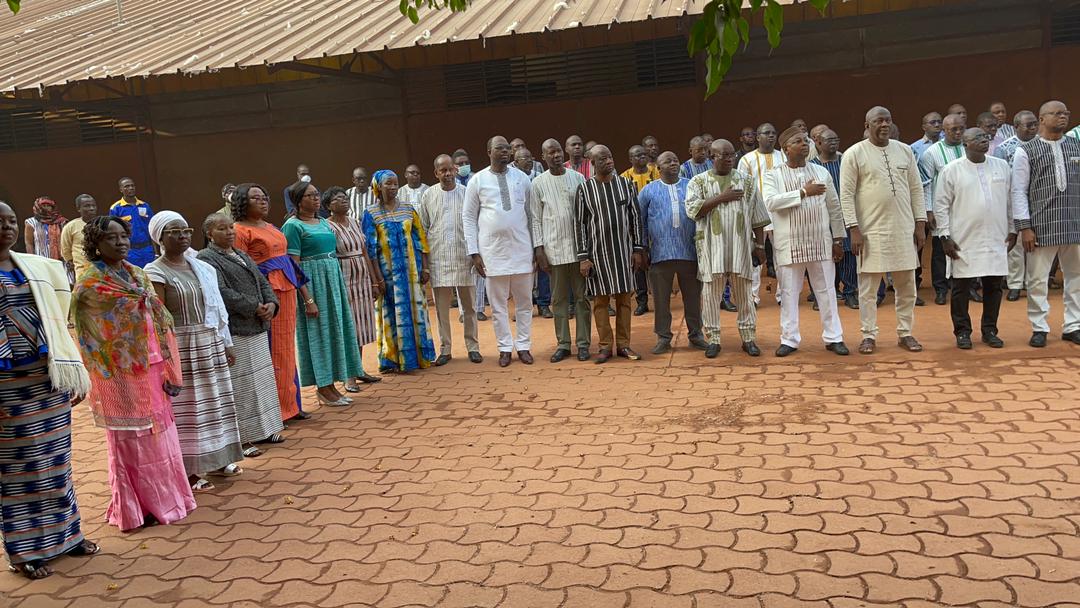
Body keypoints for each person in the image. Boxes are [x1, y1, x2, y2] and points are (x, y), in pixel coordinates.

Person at [73, 215, 196, 532]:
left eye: (123, 236)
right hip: (120, 375)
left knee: (160, 435)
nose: (120, 242)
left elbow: (161, 321)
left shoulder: (138, 275)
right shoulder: (90, 286)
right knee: (133, 438)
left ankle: (168, 498)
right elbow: (90, 335)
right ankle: (136, 507)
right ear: (96, 245)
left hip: (153, 366)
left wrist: (171, 368)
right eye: (111, 238)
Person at [0, 202, 99, 579]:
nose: (7, 227)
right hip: (7, 385)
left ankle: (67, 536)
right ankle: (23, 549)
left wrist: (73, 372)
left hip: (47, 377)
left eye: (11, 221)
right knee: (18, 469)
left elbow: (59, 321)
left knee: (57, 461)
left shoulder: (36, 266)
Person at [146, 211, 244, 492]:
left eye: (186, 230)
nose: (182, 236)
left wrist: (226, 342)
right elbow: (159, 319)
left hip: (209, 341)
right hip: (182, 347)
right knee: (190, 408)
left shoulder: (201, 266)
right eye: (174, 231)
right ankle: (190, 469)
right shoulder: (155, 271)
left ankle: (218, 459)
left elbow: (217, 308)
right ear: (160, 238)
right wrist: (167, 358)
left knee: (215, 403)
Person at [197, 212, 286, 456]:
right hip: (237, 327)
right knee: (242, 383)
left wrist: (271, 303)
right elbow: (222, 292)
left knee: (262, 380)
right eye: (222, 229)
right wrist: (253, 306)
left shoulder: (240, 254)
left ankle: (266, 429)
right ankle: (244, 438)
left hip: (257, 326)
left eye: (230, 228)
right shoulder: (207, 258)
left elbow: (262, 282)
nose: (229, 232)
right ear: (209, 234)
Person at [839, 106, 927, 355]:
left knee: (906, 286)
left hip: (903, 229)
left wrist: (920, 223)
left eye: (888, 120)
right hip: (870, 231)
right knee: (867, 288)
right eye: (879, 121)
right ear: (867, 125)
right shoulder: (854, 154)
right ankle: (868, 335)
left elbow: (916, 189)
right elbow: (846, 194)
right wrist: (853, 229)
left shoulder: (905, 151)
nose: (884, 124)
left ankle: (905, 333)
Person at [763, 128, 849, 357]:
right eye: (797, 141)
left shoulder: (821, 172)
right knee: (790, 292)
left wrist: (838, 238)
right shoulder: (774, 175)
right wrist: (803, 192)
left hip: (820, 241)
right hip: (789, 244)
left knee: (827, 291)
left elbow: (834, 207)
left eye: (805, 140)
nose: (804, 144)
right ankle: (789, 339)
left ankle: (834, 337)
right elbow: (771, 203)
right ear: (785, 149)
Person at [283, 181, 366, 402]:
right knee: (318, 334)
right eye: (310, 196)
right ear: (298, 201)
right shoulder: (293, 226)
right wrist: (308, 298)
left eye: (317, 194)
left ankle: (332, 384)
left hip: (332, 280)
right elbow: (294, 266)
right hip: (313, 283)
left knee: (335, 331)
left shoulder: (322, 221)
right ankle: (323, 386)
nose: (316, 198)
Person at [232, 184, 308, 423]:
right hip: (267, 295)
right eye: (256, 198)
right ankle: (277, 409)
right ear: (243, 202)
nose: (263, 201)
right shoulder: (239, 230)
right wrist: (258, 299)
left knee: (286, 349)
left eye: (265, 197)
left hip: (286, 290)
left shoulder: (271, 226)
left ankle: (292, 404)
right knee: (273, 350)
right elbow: (241, 269)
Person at [687, 139, 770, 358]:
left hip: (740, 248)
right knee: (711, 296)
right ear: (712, 157)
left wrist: (760, 246)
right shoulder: (698, 182)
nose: (730, 158)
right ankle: (713, 339)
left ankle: (748, 338)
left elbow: (759, 217)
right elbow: (693, 210)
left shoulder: (747, 181)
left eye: (732, 154)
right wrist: (721, 198)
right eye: (724, 155)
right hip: (711, 249)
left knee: (744, 295)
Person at [934, 128, 1013, 349]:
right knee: (961, 286)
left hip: (997, 236)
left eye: (985, 137)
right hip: (964, 238)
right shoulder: (952, 170)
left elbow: (1009, 200)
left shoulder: (1002, 166)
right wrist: (944, 236)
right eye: (978, 138)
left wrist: (1014, 229)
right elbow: (940, 206)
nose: (984, 140)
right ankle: (962, 332)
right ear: (965, 144)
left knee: (994, 286)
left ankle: (989, 331)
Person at [1011, 100, 1080, 347]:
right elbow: (1018, 191)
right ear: (1042, 119)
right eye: (1057, 113)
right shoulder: (1026, 151)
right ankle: (1039, 327)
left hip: (1074, 223)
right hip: (1041, 226)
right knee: (1037, 279)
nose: (1063, 117)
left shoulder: (1076, 146)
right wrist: (1024, 227)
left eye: (1066, 113)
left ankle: (1073, 326)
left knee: (1076, 277)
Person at [463, 136, 535, 367]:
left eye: (507, 149)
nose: (505, 152)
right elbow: (468, 217)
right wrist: (474, 252)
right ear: (488, 151)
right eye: (499, 148)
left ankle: (523, 345)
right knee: (498, 305)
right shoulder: (478, 180)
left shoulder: (522, 178)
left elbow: (532, 214)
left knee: (524, 303)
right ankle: (504, 348)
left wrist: (537, 248)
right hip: (492, 253)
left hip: (522, 249)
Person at [360, 170, 437, 372]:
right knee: (390, 313)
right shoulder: (370, 214)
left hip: (411, 273)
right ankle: (393, 360)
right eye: (388, 184)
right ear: (378, 187)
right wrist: (377, 279)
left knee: (415, 311)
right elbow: (371, 249)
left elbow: (420, 240)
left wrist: (425, 267)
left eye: (395, 184)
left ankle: (420, 357)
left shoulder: (409, 210)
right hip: (387, 276)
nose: (393, 188)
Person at [575, 144, 645, 364]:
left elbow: (635, 218)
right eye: (603, 159)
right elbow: (579, 225)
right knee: (600, 302)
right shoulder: (585, 189)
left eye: (610, 157)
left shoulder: (626, 185)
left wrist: (637, 249)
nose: (609, 161)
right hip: (598, 255)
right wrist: (584, 257)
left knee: (625, 300)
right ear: (593, 163)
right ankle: (605, 346)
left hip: (623, 253)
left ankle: (624, 345)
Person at [638, 151, 706, 354]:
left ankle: (696, 335)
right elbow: (640, 221)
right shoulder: (648, 191)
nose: (674, 163)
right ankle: (663, 337)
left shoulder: (691, 186)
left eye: (675, 160)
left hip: (690, 251)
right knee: (661, 299)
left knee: (693, 296)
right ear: (658, 168)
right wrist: (642, 248)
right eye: (668, 161)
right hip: (660, 253)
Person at [530, 139, 591, 363]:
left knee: (582, 298)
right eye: (550, 152)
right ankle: (563, 344)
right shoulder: (537, 184)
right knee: (559, 299)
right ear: (543, 156)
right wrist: (539, 250)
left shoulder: (577, 178)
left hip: (578, 250)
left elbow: (586, 216)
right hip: (553, 250)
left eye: (557, 151)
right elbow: (535, 220)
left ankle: (583, 344)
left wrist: (588, 250)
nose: (555, 155)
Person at [421, 155, 482, 365]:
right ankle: (445, 349)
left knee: (470, 307)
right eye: (442, 171)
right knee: (441, 310)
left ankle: (473, 347)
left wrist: (476, 255)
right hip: (439, 259)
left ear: (455, 170)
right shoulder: (428, 195)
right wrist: (426, 264)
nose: (447, 174)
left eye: (450, 170)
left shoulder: (467, 194)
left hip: (464, 257)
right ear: (436, 173)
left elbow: (475, 225)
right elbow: (424, 229)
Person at [323, 187, 383, 386]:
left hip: (362, 280)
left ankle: (358, 368)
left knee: (362, 324)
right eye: (338, 199)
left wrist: (374, 281)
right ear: (328, 206)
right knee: (348, 326)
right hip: (344, 279)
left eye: (345, 198)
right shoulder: (327, 227)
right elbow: (330, 257)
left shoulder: (355, 222)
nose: (344, 201)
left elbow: (365, 252)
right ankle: (348, 376)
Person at [919, 113, 966, 306]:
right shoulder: (932, 152)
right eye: (953, 129)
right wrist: (929, 211)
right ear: (944, 130)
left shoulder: (968, 148)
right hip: (941, 209)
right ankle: (940, 289)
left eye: (960, 128)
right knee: (940, 250)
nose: (957, 132)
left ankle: (965, 287)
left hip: (965, 208)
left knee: (964, 246)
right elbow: (926, 184)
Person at [738, 122, 786, 303]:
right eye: (767, 133)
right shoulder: (746, 160)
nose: (771, 136)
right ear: (758, 137)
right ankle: (753, 296)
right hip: (755, 215)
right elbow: (742, 188)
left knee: (781, 255)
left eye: (774, 133)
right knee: (755, 256)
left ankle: (784, 294)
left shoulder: (783, 156)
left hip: (780, 213)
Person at [995, 110, 1039, 301]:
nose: (1032, 128)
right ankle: (1014, 284)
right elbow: (998, 176)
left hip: (1038, 201)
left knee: (1035, 244)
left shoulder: (1041, 144)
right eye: (1028, 125)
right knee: (1016, 243)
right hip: (1012, 201)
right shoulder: (1004, 148)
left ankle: (1032, 283)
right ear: (1015, 127)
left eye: (1034, 124)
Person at [621, 144, 661, 316]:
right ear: (630, 159)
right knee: (638, 264)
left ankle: (660, 299)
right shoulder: (624, 177)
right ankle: (642, 301)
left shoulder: (657, 173)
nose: (641, 157)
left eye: (643, 154)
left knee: (657, 263)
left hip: (655, 225)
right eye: (637, 155)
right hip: (633, 228)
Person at [110, 177, 155, 268]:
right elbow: (113, 233)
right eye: (127, 186)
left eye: (132, 186)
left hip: (147, 249)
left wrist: (156, 251)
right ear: (121, 189)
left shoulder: (145, 206)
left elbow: (153, 228)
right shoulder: (116, 208)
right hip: (129, 251)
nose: (131, 188)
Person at [60, 194, 98, 282]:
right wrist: (71, 261)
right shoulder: (71, 226)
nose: (92, 208)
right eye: (87, 206)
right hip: (82, 270)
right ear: (78, 209)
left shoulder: (102, 224)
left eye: (93, 205)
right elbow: (65, 249)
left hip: (102, 269)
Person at [23, 197, 67, 266]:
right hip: (41, 261)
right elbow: (29, 243)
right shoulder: (31, 222)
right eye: (43, 205)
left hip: (62, 261)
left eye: (48, 206)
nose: (46, 208)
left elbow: (67, 241)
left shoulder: (61, 222)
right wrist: (32, 260)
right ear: (38, 207)